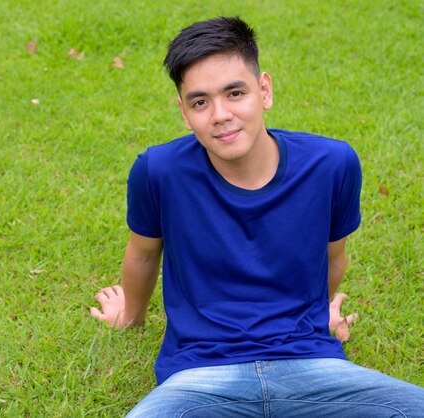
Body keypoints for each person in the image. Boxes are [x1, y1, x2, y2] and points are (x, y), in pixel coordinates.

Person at [90, 16, 424, 417]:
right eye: (200, 102)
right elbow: (143, 253)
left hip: (313, 369)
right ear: (183, 112)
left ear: (264, 90)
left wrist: (317, 316)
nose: (220, 115)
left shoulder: (332, 164)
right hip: (200, 377)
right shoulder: (158, 171)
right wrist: (130, 317)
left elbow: (334, 255)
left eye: (235, 93)